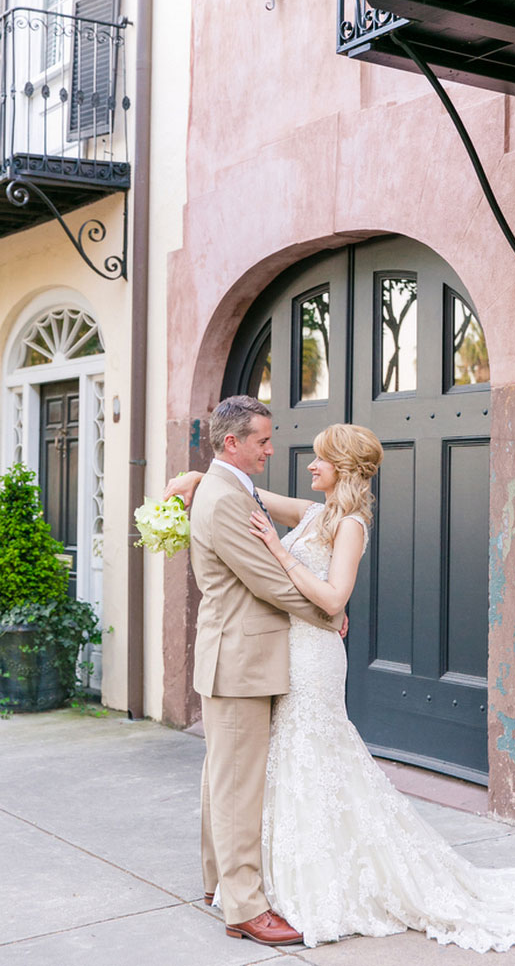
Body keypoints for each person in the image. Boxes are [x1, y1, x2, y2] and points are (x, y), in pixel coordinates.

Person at [168, 419, 515, 952]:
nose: (308, 464)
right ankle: (275, 879)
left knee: (314, 755)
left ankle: (305, 884)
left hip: (312, 655)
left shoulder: (352, 523)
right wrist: (199, 480)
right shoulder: (316, 511)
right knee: (282, 764)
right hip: (284, 652)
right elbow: (249, 491)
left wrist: (282, 553)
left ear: (341, 468)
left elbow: (335, 600)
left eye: (319, 459)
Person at [181, 395, 345, 947]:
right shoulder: (225, 497)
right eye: (263, 441)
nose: (272, 449)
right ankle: (245, 908)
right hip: (240, 659)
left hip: (239, 655)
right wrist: (329, 612)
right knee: (237, 786)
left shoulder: (227, 485)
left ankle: (218, 882)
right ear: (233, 443)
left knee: (223, 777)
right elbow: (267, 581)